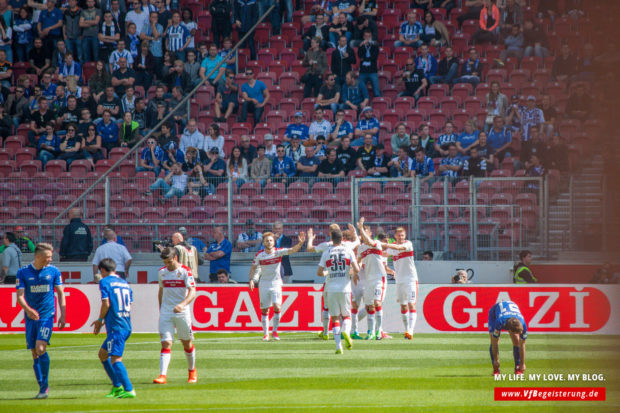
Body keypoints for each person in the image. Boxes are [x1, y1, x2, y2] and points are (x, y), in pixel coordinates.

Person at [16, 243, 66, 399]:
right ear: (38, 256)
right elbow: (19, 296)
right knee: (34, 352)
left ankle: (44, 388)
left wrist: (63, 314)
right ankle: (42, 387)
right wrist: (28, 309)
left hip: (46, 315)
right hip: (31, 317)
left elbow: (60, 293)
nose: (50, 259)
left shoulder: (54, 271)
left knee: (40, 348)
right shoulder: (23, 272)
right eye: (48, 257)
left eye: (51, 256)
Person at [249, 230, 306, 341]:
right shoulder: (259, 255)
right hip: (264, 283)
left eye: (271, 240)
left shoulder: (278, 252)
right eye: (267, 241)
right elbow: (254, 268)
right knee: (265, 310)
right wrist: (251, 280)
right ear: (264, 243)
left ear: (274, 242)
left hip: (276, 283)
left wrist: (300, 244)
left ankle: (274, 331)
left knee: (277, 306)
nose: (269, 242)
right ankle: (266, 334)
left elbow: (291, 250)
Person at [91, 258, 135, 399]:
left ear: (103, 270)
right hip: (125, 324)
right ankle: (117, 386)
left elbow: (106, 303)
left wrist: (99, 320)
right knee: (103, 354)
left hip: (117, 327)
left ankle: (128, 389)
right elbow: (129, 305)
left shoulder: (105, 281)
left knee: (115, 359)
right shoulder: (125, 283)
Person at [153, 247, 198, 385]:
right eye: (165, 262)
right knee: (166, 342)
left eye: (169, 262)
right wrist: (161, 309)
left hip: (182, 312)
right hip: (166, 312)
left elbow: (192, 291)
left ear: (175, 258)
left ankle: (192, 371)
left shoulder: (185, 271)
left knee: (186, 342)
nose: (167, 265)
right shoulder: (162, 272)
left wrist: (183, 304)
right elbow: (161, 291)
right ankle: (162, 375)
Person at [356, 217, 406, 340]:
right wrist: (354, 271)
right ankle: (370, 332)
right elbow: (358, 261)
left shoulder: (376, 243)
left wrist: (360, 227)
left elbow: (368, 241)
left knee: (377, 303)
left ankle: (378, 331)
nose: (363, 235)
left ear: (369, 234)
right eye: (362, 233)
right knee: (369, 306)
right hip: (368, 280)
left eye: (365, 232)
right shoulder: (361, 248)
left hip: (379, 278)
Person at [317, 228, 360, 354]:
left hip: (331, 288)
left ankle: (338, 347)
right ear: (342, 239)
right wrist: (350, 271)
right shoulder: (348, 250)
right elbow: (356, 269)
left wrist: (327, 272)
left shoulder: (326, 252)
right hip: (345, 288)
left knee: (334, 317)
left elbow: (319, 272)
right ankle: (345, 332)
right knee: (346, 316)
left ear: (331, 238)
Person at [385, 227, 419, 340]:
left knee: (411, 304)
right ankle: (406, 330)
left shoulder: (408, 244)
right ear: (395, 236)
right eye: (399, 235)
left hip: (410, 279)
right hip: (399, 280)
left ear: (405, 236)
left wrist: (383, 244)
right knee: (403, 306)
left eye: (403, 235)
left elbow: (399, 247)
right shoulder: (392, 246)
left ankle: (410, 331)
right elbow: (384, 255)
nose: (401, 237)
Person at [488, 300, 527, 375]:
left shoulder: (523, 324)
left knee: (516, 340)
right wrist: (496, 360)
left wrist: (523, 363)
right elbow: (494, 343)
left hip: (510, 313)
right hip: (494, 313)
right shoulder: (499, 322)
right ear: (509, 331)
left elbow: (522, 344)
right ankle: (496, 369)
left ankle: (517, 368)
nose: (521, 333)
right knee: (494, 340)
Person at [357, 29, 380, 97]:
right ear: (364, 37)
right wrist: (361, 46)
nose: (367, 38)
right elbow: (359, 55)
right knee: (360, 90)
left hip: (372, 71)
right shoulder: (361, 46)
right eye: (366, 36)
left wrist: (364, 59)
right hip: (363, 71)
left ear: (371, 37)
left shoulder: (375, 46)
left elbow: (374, 58)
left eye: (369, 36)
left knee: (376, 91)